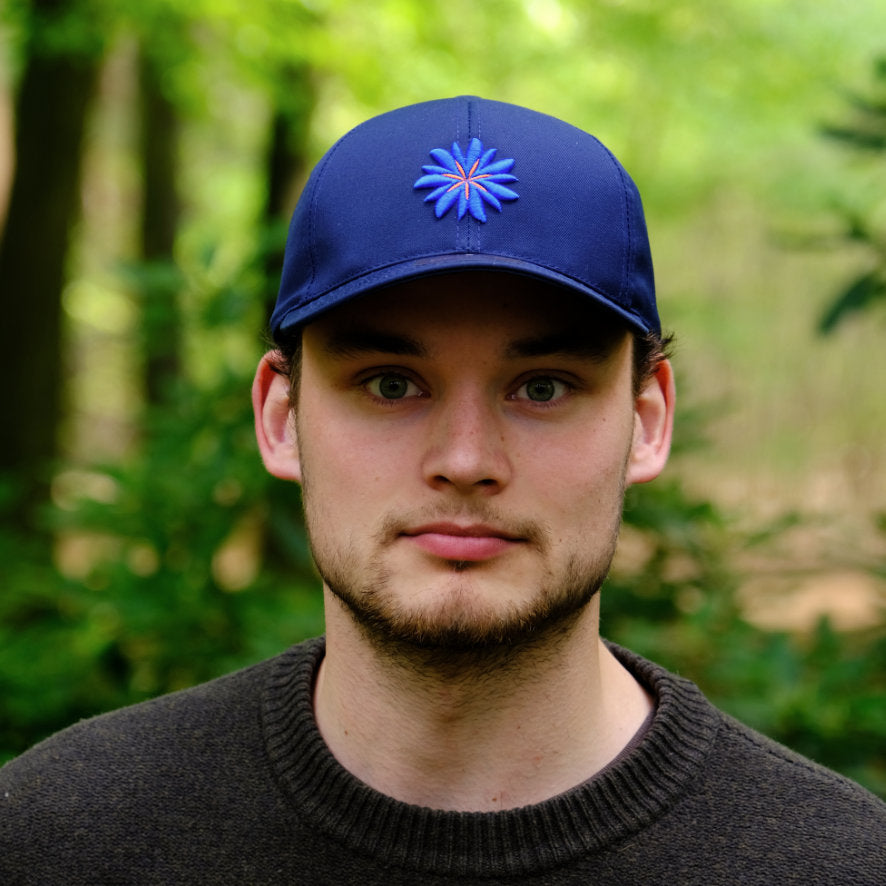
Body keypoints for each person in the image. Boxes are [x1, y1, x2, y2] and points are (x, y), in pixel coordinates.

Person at [1, 96, 884, 885]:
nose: (465, 460)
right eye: (390, 383)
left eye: (542, 386)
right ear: (280, 415)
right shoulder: (57, 836)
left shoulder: (840, 864)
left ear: (648, 420)